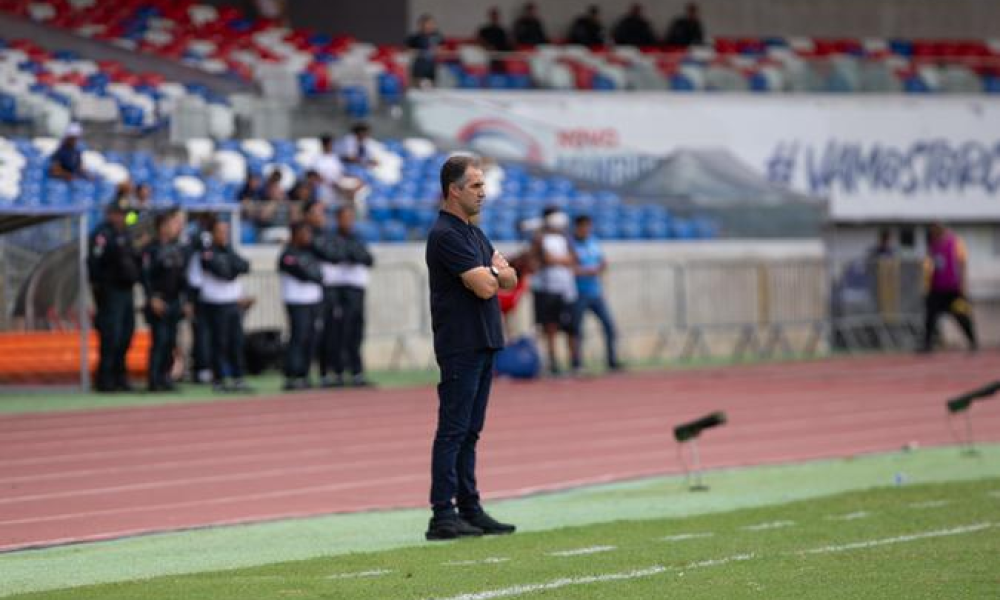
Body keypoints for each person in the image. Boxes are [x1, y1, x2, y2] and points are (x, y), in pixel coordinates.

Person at [425, 154, 518, 541]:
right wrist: (493, 273)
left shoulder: (474, 234)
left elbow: (510, 278)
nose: (484, 193)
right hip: (461, 343)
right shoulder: (446, 234)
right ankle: (442, 514)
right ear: (454, 190)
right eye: (476, 186)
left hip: (483, 341)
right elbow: (485, 285)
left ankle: (470, 507)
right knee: (454, 430)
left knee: (470, 431)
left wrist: (492, 272)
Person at [87, 198, 141, 392]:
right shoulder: (103, 234)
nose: (124, 217)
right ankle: (105, 378)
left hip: (126, 291)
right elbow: (95, 262)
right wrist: (100, 289)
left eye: (125, 215)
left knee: (126, 333)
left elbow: (137, 215)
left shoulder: (126, 232)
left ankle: (120, 375)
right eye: (120, 214)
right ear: (111, 214)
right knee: (111, 336)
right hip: (110, 291)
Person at [199, 219, 253, 392]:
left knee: (236, 341)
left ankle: (238, 377)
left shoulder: (228, 250)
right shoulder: (207, 252)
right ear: (212, 234)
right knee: (219, 342)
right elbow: (225, 273)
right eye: (220, 231)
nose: (224, 235)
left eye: (226, 231)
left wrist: (232, 266)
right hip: (216, 303)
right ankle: (219, 379)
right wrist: (233, 267)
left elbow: (245, 265)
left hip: (232, 302)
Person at [141, 210, 188, 392]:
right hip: (159, 301)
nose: (174, 228)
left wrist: (185, 301)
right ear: (161, 227)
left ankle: (166, 377)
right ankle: (154, 379)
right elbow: (145, 277)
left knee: (170, 342)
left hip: (174, 301)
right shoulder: (151, 250)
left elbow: (182, 277)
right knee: (159, 341)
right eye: (170, 224)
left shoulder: (177, 248)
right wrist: (152, 298)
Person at [328, 205, 375, 387]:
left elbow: (368, 259)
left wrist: (353, 254)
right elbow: (335, 255)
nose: (348, 221)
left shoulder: (357, 238)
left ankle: (357, 372)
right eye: (344, 217)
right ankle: (338, 372)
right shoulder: (332, 237)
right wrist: (353, 254)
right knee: (340, 332)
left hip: (357, 290)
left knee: (356, 331)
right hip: (339, 289)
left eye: (350, 218)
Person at [530, 207, 579, 375]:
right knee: (550, 326)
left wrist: (557, 260)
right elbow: (541, 259)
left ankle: (575, 362)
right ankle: (554, 363)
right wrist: (557, 260)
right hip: (548, 288)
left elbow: (573, 257)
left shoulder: (566, 237)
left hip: (567, 288)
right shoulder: (539, 238)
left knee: (571, 327)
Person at [570, 215, 621, 372]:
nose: (586, 230)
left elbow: (601, 261)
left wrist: (601, 268)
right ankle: (577, 363)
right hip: (578, 293)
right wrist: (587, 271)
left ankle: (612, 361)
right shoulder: (570, 244)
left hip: (595, 292)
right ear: (577, 227)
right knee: (576, 329)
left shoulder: (593, 242)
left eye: (588, 226)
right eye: (584, 227)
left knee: (609, 326)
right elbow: (570, 268)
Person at [303, 199, 344, 388]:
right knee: (315, 332)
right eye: (317, 213)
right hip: (315, 291)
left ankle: (332, 371)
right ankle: (314, 372)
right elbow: (331, 254)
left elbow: (338, 253)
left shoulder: (328, 234)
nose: (321, 217)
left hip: (331, 288)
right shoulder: (307, 236)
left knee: (334, 332)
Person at [279, 221, 324, 390]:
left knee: (312, 338)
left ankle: (304, 373)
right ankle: (292, 374)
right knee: (298, 337)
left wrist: (313, 273)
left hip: (314, 300)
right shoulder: (287, 254)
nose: (308, 237)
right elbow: (305, 273)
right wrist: (312, 273)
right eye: (304, 233)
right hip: (297, 301)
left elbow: (318, 272)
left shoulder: (311, 252)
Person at [920, 223, 977, 353]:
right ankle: (927, 345)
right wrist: (927, 285)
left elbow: (962, 263)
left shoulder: (955, 242)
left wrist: (963, 284)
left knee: (962, 316)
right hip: (936, 289)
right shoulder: (933, 245)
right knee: (930, 317)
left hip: (953, 288)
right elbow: (929, 267)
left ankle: (973, 342)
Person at [185, 212, 215, 384]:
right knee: (202, 330)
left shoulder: (199, 236)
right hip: (198, 288)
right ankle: (201, 367)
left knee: (206, 331)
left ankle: (206, 366)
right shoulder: (200, 237)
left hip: (204, 288)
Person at [313, 134, 362, 206]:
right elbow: (317, 177)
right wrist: (334, 184)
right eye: (330, 144)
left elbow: (342, 173)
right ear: (324, 145)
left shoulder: (335, 158)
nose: (331, 146)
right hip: (326, 192)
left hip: (339, 190)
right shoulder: (317, 159)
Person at [406, 14, 444, 88]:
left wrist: (436, 51)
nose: (431, 26)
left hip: (433, 66)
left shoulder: (437, 36)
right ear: (422, 25)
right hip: (419, 64)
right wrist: (421, 52)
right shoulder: (415, 37)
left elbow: (441, 49)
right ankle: (417, 84)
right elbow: (409, 51)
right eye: (428, 24)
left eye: (432, 23)